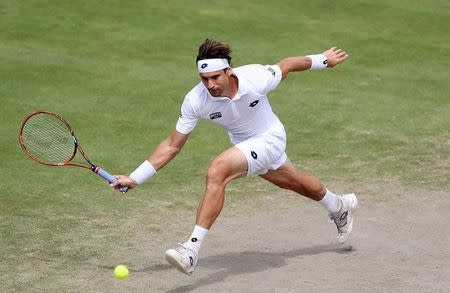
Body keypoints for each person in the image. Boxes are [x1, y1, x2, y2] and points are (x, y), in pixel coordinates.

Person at [112, 38, 358, 276]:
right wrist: (135, 177)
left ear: (228, 71)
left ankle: (191, 250)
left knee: (217, 170)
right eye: (204, 79)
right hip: (244, 143)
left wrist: (323, 60)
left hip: (270, 137)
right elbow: (171, 145)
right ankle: (338, 205)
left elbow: (287, 65)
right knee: (292, 181)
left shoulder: (256, 77)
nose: (209, 85)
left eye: (215, 77)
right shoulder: (195, 100)